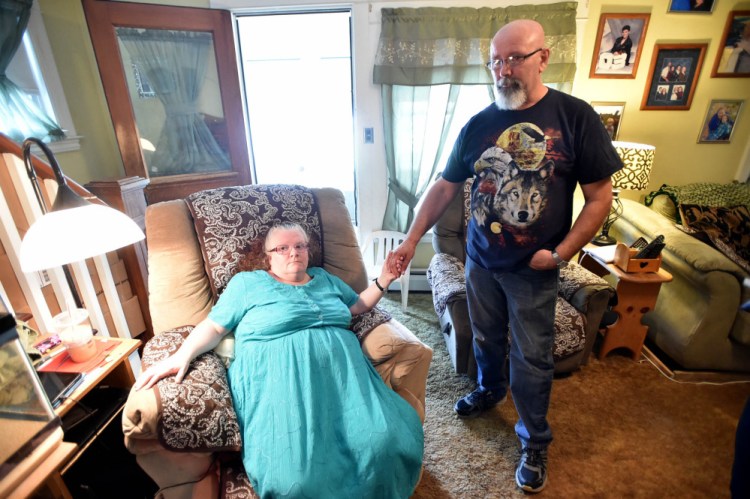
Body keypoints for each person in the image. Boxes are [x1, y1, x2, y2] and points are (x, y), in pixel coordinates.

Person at [389, 19, 621, 494]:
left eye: (515, 57)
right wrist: (412, 238)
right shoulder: (479, 123)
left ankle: (534, 440)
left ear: (542, 57)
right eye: (496, 60)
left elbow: (600, 198)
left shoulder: (576, 118)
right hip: (480, 262)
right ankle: (490, 389)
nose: (503, 69)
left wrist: (559, 253)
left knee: (532, 357)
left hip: (534, 270)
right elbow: (444, 186)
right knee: (487, 338)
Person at [134, 223, 424, 498]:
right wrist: (181, 355)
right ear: (266, 257)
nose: (293, 252)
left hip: (345, 378)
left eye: (300, 246)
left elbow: (358, 305)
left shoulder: (325, 279)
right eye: (282, 248)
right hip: (280, 380)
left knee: (383, 446)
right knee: (294, 478)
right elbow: (214, 327)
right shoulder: (247, 284)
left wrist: (385, 277)